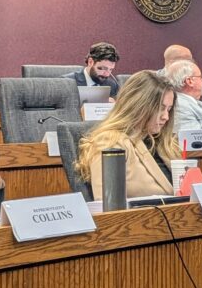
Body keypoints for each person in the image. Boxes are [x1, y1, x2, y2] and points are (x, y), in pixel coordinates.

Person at [75, 70, 179, 198]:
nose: (166, 117)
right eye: (160, 108)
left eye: (169, 109)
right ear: (138, 106)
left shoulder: (164, 143)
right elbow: (108, 208)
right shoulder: (110, 142)